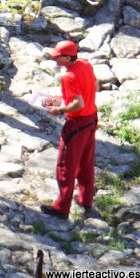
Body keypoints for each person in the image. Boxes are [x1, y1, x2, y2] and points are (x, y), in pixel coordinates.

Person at [41, 40, 98, 220]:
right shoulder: (86, 65)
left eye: (58, 57)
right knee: (86, 161)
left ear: (67, 57)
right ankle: (85, 200)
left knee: (66, 164)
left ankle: (62, 207)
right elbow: (93, 86)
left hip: (77, 123)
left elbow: (77, 104)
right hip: (91, 118)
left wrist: (60, 109)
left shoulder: (68, 76)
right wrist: (65, 98)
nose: (55, 60)